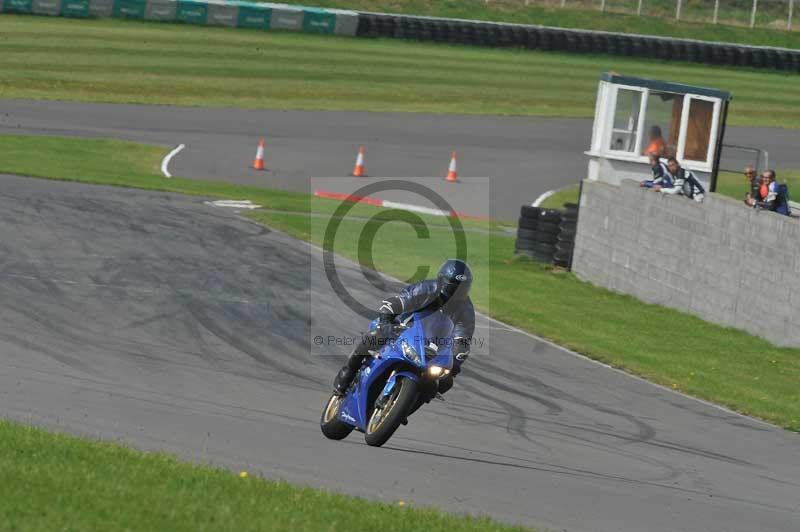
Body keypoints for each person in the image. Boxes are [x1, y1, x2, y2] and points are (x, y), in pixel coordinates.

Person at [332, 259, 475, 397]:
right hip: (401, 328)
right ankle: (349, 370)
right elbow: (397, 302)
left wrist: (455, 362)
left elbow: (462, 339)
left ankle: (408, 404)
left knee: (443, 382)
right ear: (442, 281)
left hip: (433, 346)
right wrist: (386, 321)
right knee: (376, 334)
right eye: (453, 287)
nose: (457, 292)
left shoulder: (466, 309)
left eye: (462, 289)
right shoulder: (426, 289)